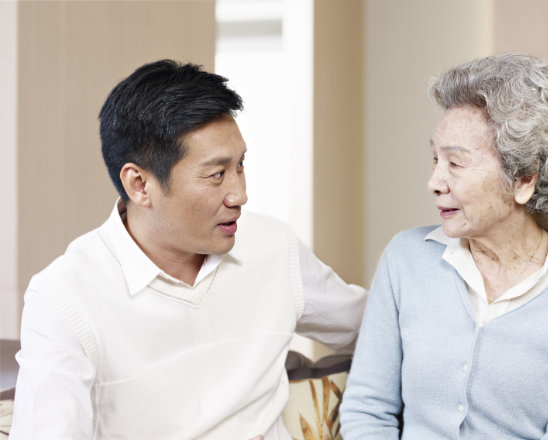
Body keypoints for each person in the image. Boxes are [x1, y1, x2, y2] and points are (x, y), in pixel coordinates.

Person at [10, 60, 367, 439]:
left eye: (240, 166)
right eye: (216, 174)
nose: (240, 194)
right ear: (139, 184)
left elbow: (378, 330)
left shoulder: (273, 247)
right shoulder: (64, 298)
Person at [340, 53, 548, 439]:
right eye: (434, 159)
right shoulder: (405, 259)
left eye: (455, 164)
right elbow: (367, 409)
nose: (434, 182)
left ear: (525, 178)